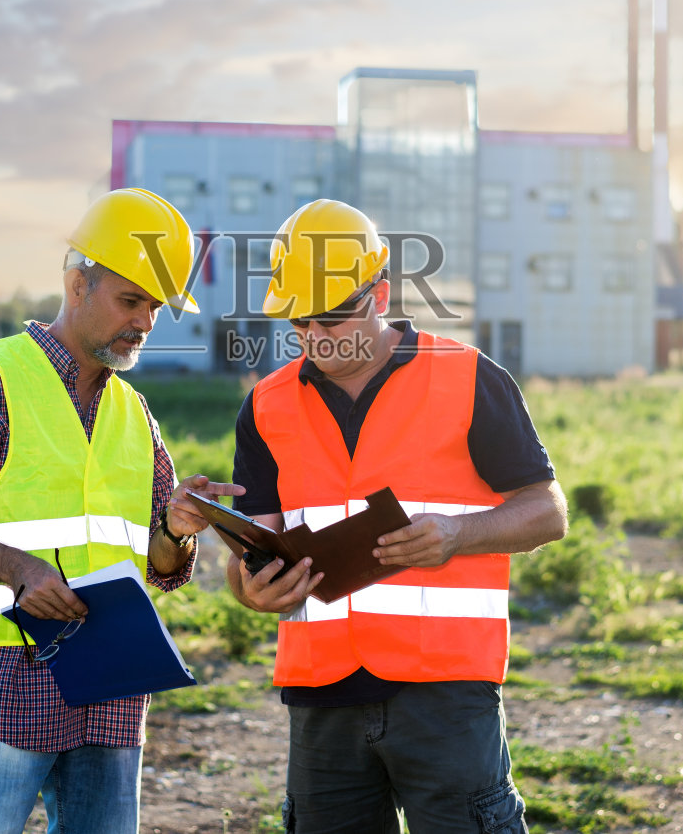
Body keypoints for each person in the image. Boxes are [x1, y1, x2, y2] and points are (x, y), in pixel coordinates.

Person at [0, 187, 241, 834]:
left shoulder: (134, 414)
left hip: (109, 691)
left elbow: (158, 563)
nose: (142, 321)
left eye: (155, 307)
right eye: (129, 300)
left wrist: (175, 528)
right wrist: (19, 570)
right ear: (77, 284)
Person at [226, 199, 568, 834]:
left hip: (446, 693)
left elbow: (547, 511)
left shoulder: (467, 378)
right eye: (301, 321)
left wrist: (460, 533)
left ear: (380, 292)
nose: (318, 335)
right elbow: (252, 554)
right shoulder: (266, 407)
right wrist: (253, 589)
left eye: (335, 316)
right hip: (320, 697)